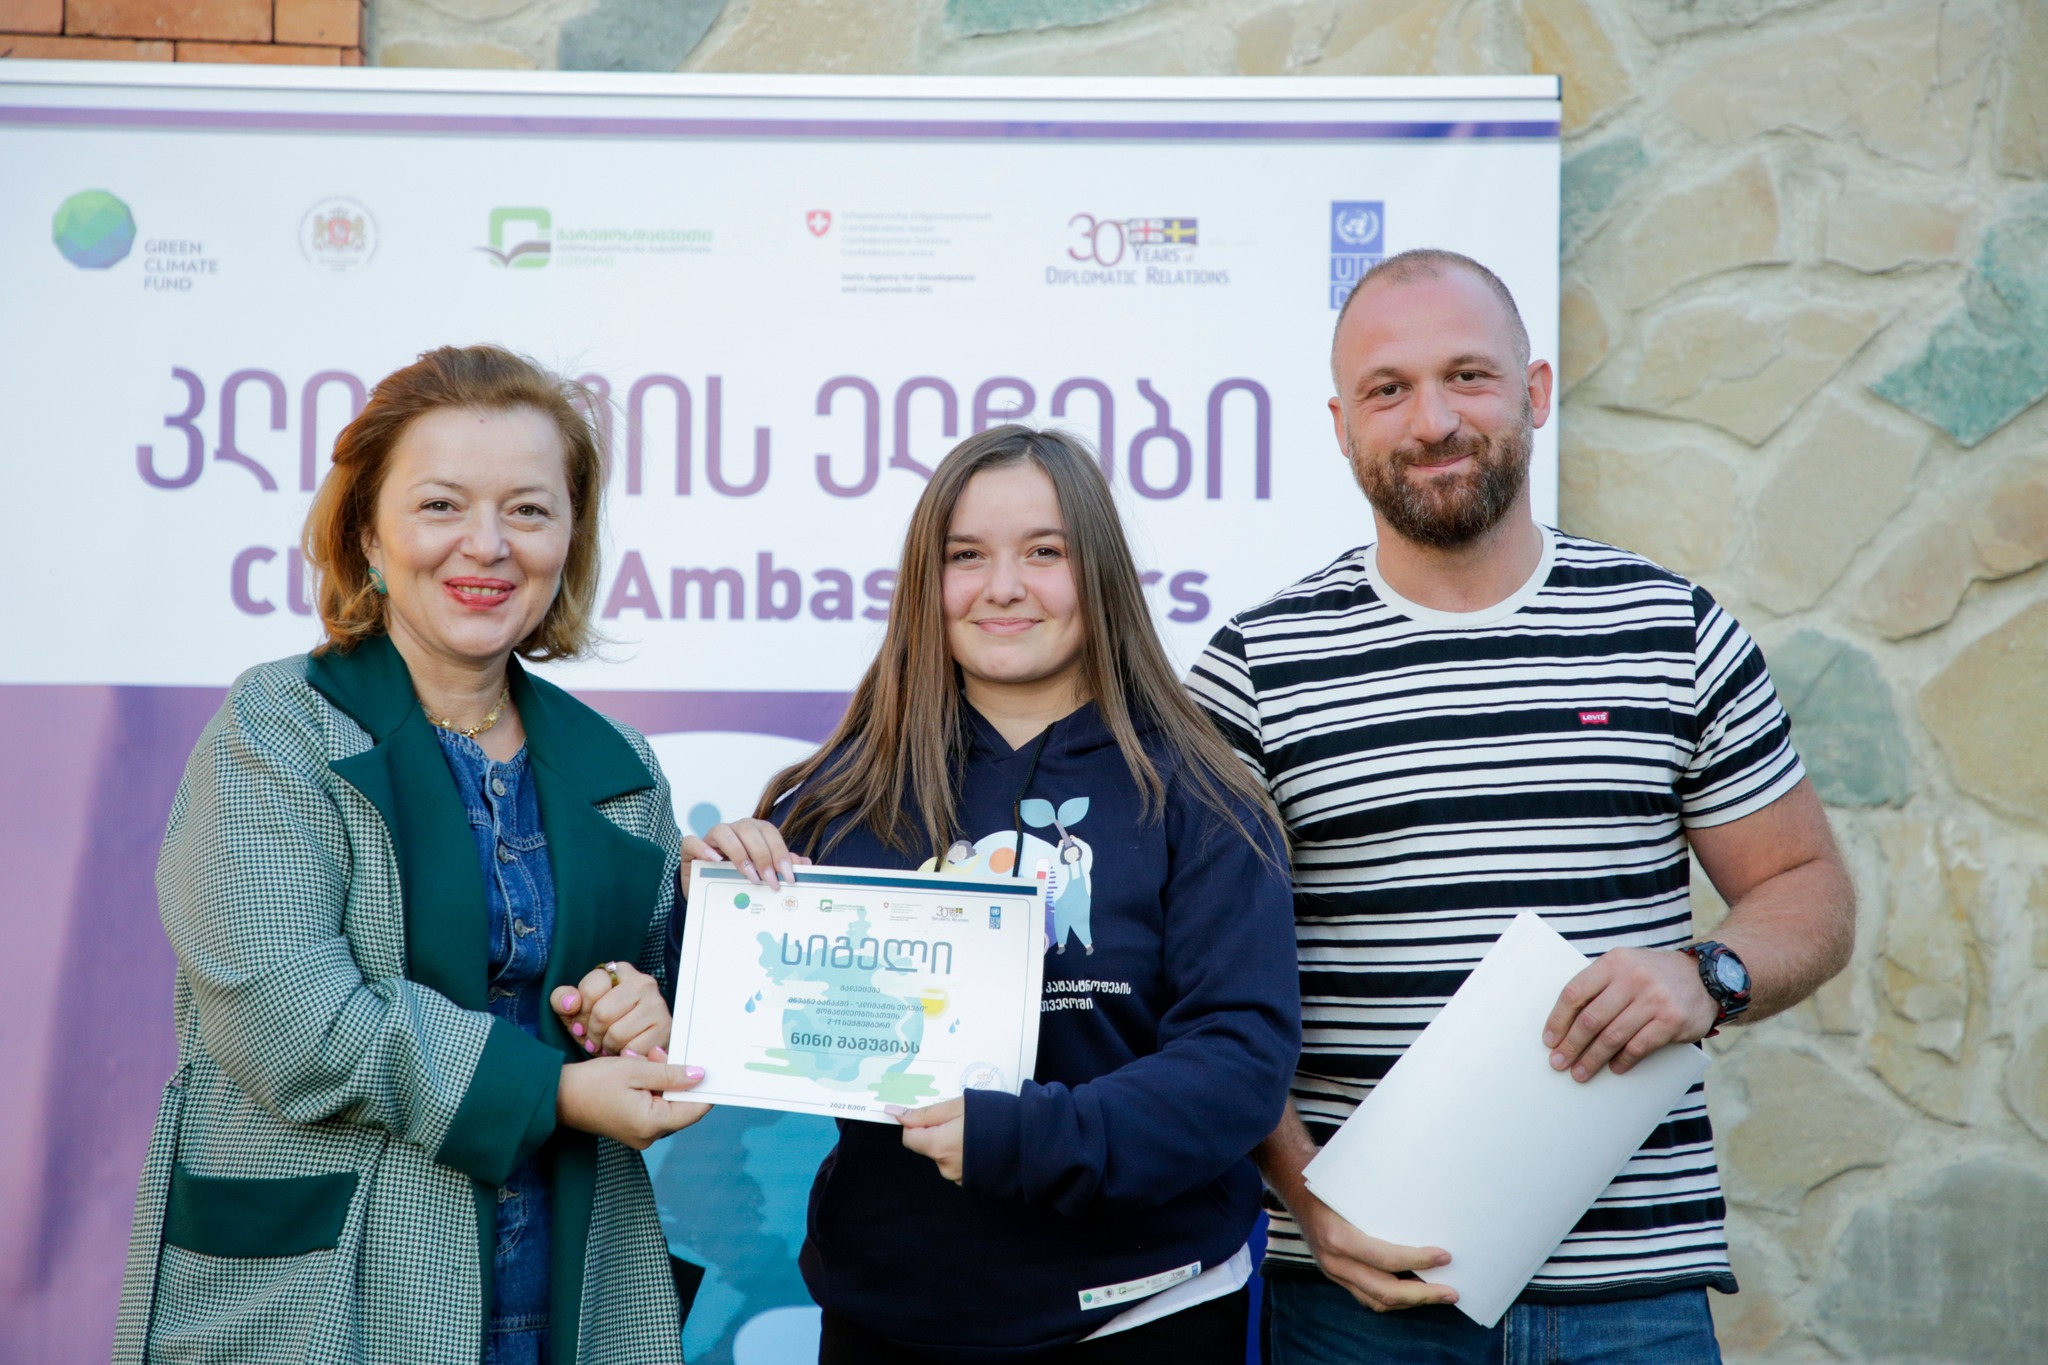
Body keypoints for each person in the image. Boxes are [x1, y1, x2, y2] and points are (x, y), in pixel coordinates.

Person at [1186, 250, 1857, 1363]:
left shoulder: (1670, 630)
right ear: (1340, 426)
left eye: (1469, 375)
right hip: (1361, 1296)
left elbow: (1805, 887)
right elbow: (1202, 980)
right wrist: (1305, 1199)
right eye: (1387, 389)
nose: (1432, 420)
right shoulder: (1255, 668)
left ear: (1534, 392)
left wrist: (1708, 974)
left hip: (1630, 1296)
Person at [114, 345, 711, 1365]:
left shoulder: (620, 767)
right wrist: (556, 1092)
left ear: (569, 538)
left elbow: (654, 1017)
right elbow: (290, 1018)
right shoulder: (277, 729)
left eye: (528, 510)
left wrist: (662, 990)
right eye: (441, 505)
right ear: (367, 534)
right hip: (330, 1299)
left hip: (564, 1292)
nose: (488, 545)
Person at [652, 425, 1300, 1361]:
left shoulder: (1201, 798)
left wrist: (1023, 1138)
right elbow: (713, 1022)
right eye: (967, 556)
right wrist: (708, 914)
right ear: (929, 582)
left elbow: (1238, 1064)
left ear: (1101, 574)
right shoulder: (836, 800)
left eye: (1045, 552)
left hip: (1141, 1310)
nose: (1003, 586)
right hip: (888, 1318)